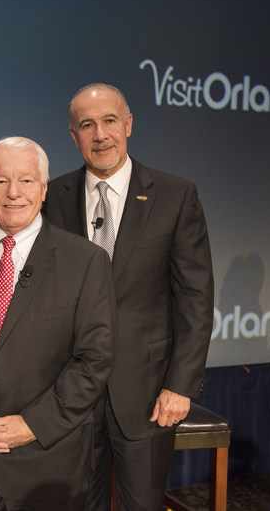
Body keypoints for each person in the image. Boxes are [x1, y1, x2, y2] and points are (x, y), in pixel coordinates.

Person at [43, 84, 214, 511]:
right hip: (71, 395)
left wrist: (179, 384)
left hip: (147, 393)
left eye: (109, 121)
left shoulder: (175, 196)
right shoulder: (51, 198)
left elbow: (195, 298)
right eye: (87, 125)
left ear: (129, 125)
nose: (100, 134)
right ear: (73, 135)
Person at [0, 136, 117, 511]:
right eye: (1, 181)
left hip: (47, 463)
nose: (13, 192)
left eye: (27, 180)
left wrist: (31, 424)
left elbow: (93, 361)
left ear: (44, 188)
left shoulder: (86, 261)